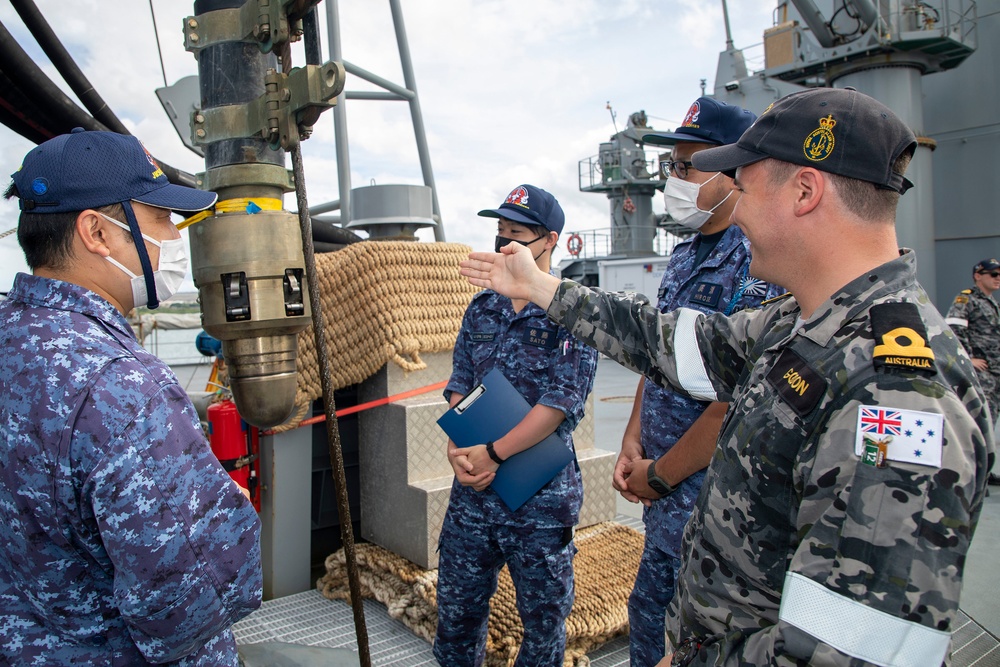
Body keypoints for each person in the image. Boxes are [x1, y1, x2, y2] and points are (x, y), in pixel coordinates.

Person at [458, 89, 994, 666]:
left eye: (743, 185)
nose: (734, 208)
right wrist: (539, 287)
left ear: (805, 191)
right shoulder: (798, 322)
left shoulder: (902, 392)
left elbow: (850, 650)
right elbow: (665, 340)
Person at [0, 129, 262, 665]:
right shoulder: (122, 386)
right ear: (96, 231)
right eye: (161, 218)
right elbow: (191, 595)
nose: (173, 236)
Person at [620, 97, 783, 667]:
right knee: (648, 622)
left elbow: (737, 397)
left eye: (687, 167)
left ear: (731, 173)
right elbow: (660, 353)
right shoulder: (685, 255)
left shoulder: (756, 264)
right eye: (673, 166)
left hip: (712, 508)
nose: (674, 179)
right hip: (661, 492)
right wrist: (632, 438)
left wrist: (660, 476)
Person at [433, 185, 599, 667]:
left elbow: (560, 404)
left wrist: (495, 453)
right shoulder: (483, 306)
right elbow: (461, 379)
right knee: (457, 615)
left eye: (517, 236)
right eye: (500, 233)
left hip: (539, 499)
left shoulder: (573, 310)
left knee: (543, 624)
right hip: (474, 493)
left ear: (549, 241)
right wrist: (457, 448)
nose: (504, 245)